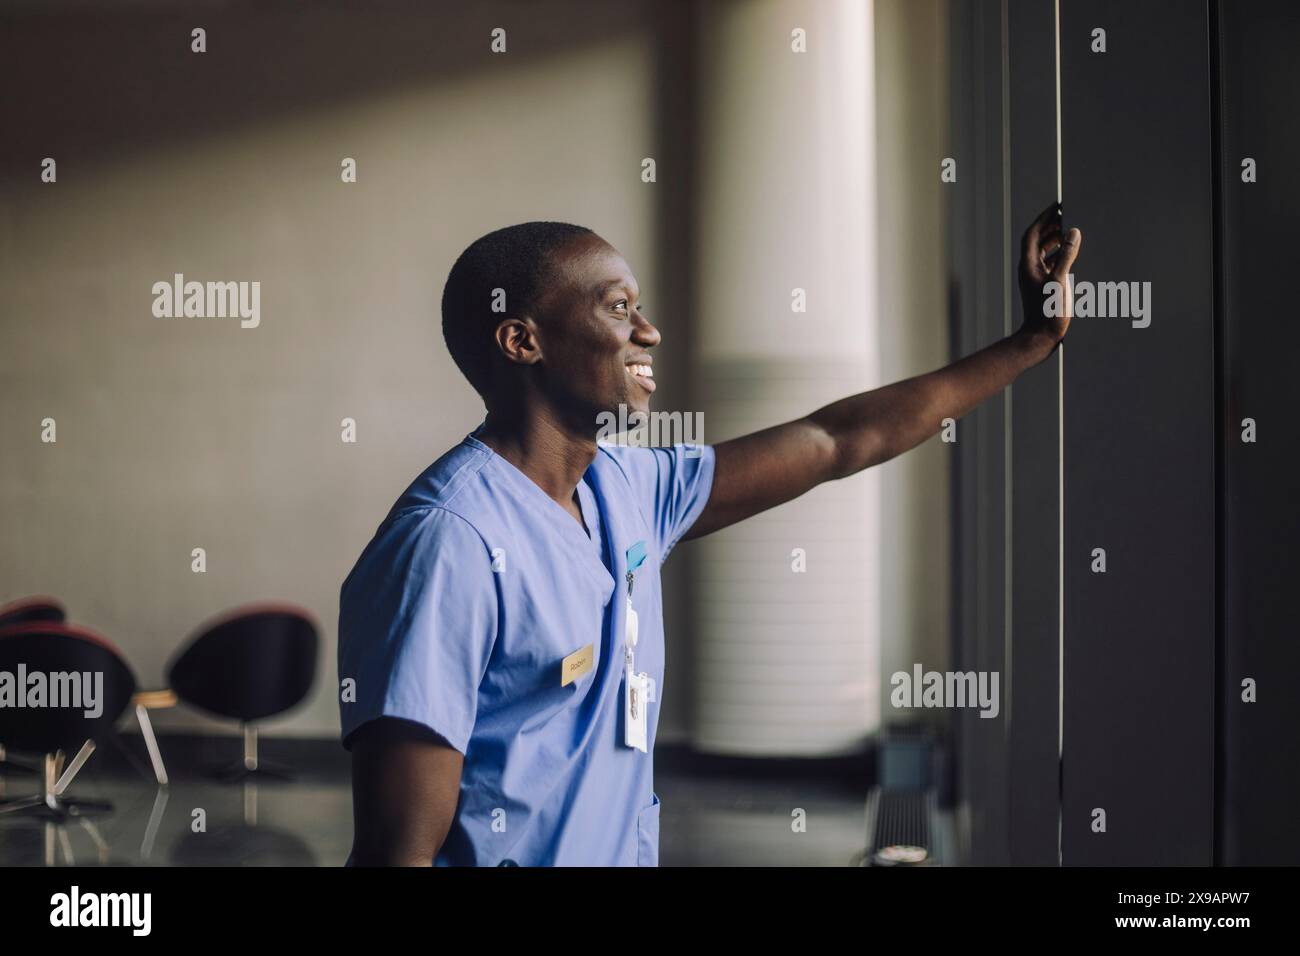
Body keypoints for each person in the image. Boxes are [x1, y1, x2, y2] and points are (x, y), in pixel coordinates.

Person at [339, 208, 1082, 866]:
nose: (648, 331)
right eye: (618, 308)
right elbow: (396, 850)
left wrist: (1028, 345)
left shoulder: (626, 488)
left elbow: (834, 440)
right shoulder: (446, 546)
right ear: (521, 339)